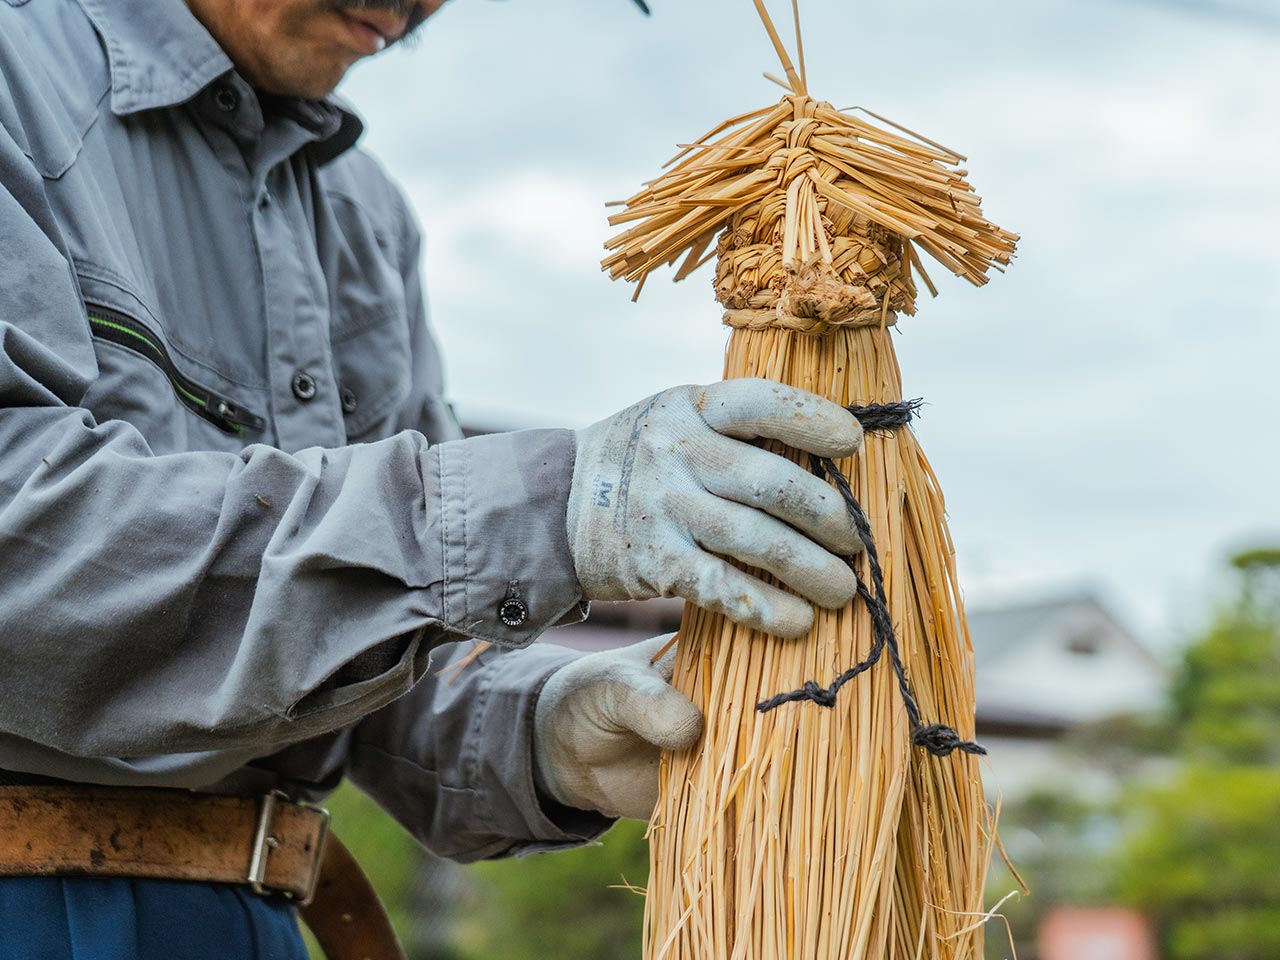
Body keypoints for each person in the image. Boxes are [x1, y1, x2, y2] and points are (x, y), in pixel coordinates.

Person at [0, 1, 865, 956]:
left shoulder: (361, 214)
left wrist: (545, 726)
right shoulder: (16, 78)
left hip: (252, 919)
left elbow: (353, 645)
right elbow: (22, 553)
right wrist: (547, 511)